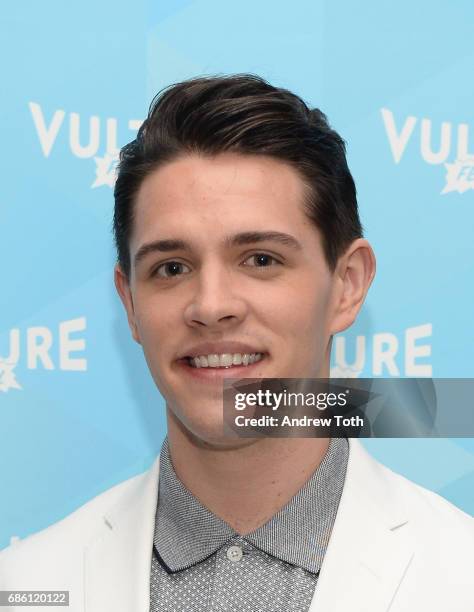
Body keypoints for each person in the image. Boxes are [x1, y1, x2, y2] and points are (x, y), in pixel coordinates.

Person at [1, 74, 472, 612]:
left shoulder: (461, 573)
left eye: (260, 260)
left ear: (347, 285)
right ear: (129, 303)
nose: (210, 305)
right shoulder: (23, 586)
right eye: (171, 267)